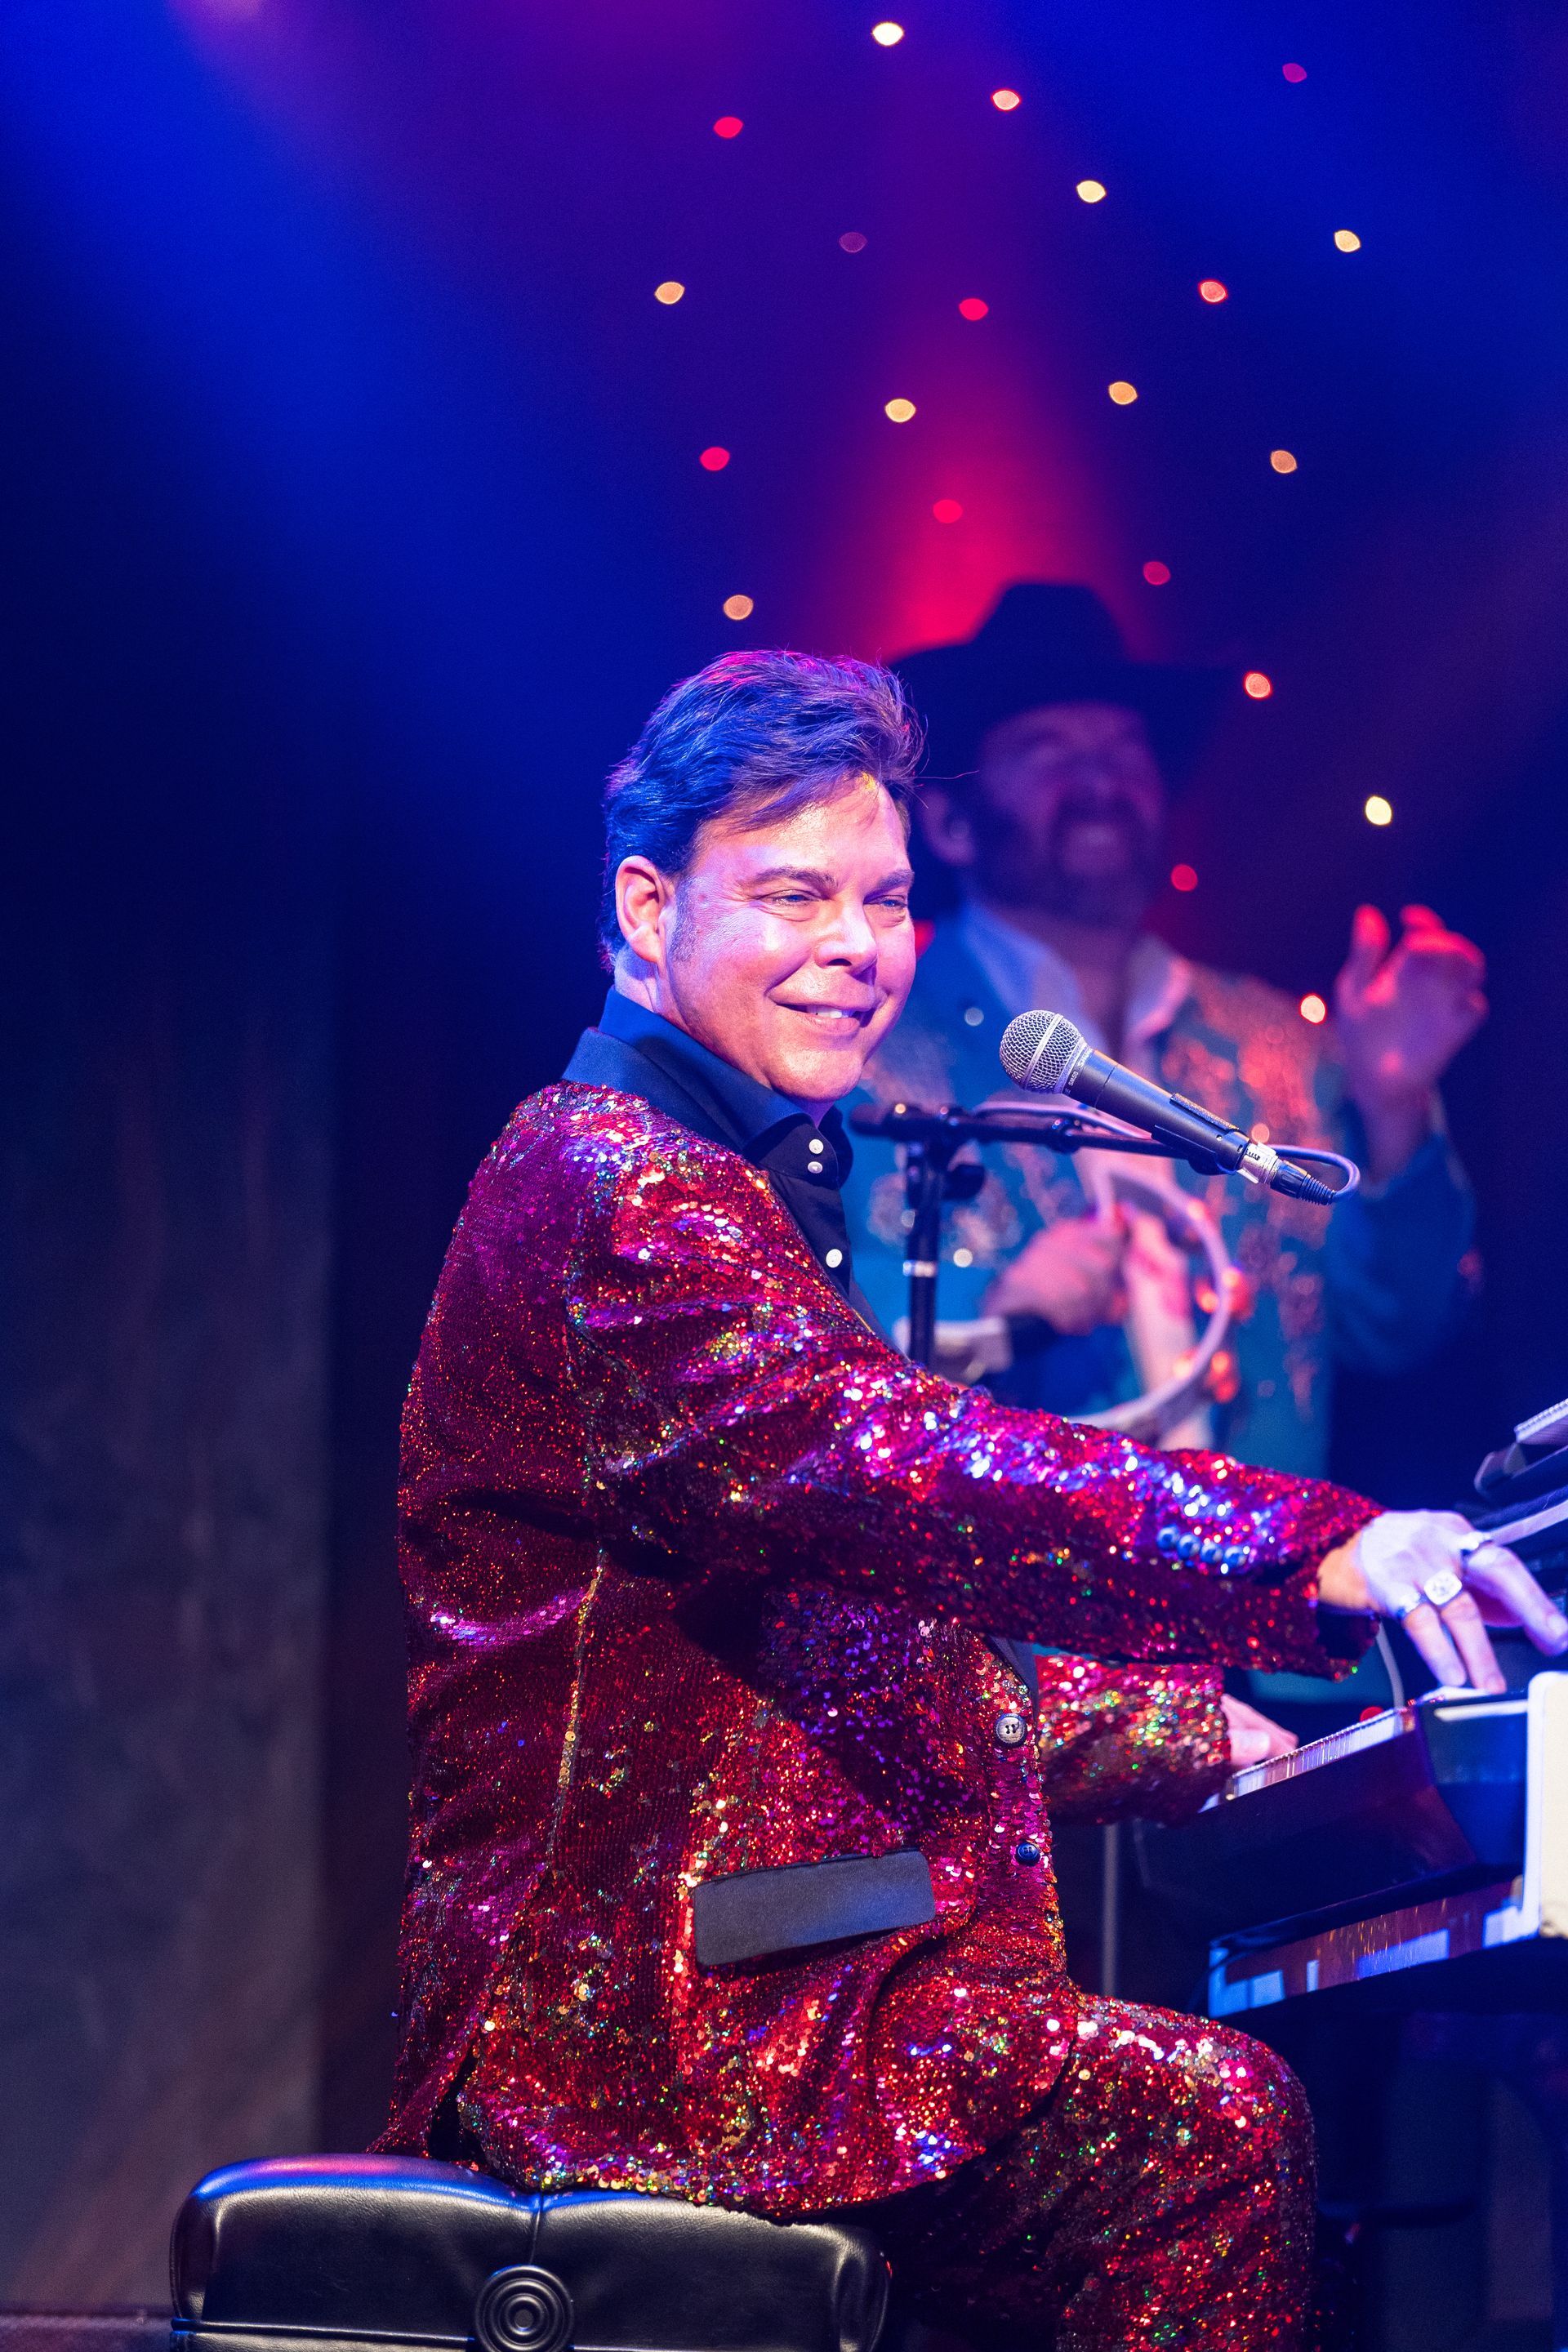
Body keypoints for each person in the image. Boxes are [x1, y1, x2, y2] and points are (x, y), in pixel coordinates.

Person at [378, 649, 1565, 2351]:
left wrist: (1172, 1730)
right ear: (648, 913)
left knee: (1189, 2106)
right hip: (638, 2030)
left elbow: (826, 1629)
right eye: (793, 896)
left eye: (884, 898)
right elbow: (902, 1465)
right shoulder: (611, 1185)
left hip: (732, 1993)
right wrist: (1314, 1550)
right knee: (1204, 2131)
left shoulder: (685, 1174)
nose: (856, 948)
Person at [844, 584, 1484, 1482]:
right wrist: (998, 1317)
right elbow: (812, 1378)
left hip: (1275, 1597)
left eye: (1123, 749)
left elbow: (1398, 1327)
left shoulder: (1276, 1046)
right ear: (948, 823)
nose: (1100, 780)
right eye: (1049, 749)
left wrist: (1394, 1106)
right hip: (1000, 1611)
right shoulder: (862, 1045)